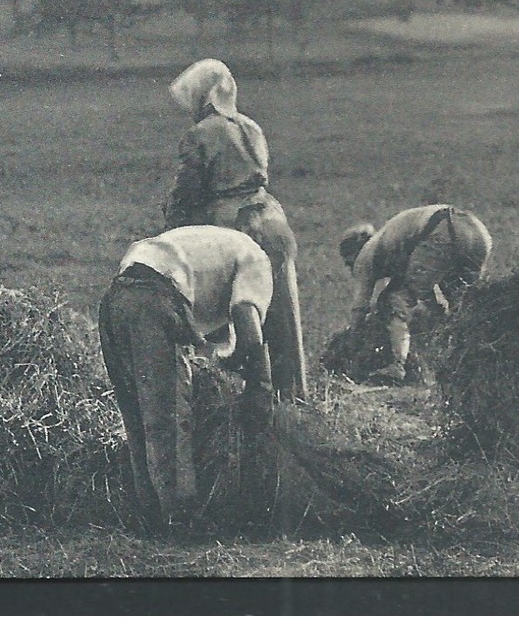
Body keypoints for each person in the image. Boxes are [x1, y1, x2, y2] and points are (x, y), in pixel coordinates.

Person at [98, 225, 275, 535]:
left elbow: (207, 338)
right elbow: (248, 327)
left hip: (116, 299)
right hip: (155, 299)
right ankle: (181, 519)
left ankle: (149, 515)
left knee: (137, 417)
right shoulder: (258, 260)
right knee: (169, 417)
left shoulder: (215, 246)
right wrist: (259, 383)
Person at [162, 58, 307, 399]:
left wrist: (173, 230)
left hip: (233, 227)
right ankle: (293, 401)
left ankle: (237, 398)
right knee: (283, 317)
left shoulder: (200, 135)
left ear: (203, 96)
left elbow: (186, 194)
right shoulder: (251, 127)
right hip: (272, 220)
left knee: (229, 315)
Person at [337, 205, 494, 385]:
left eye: (348, 262)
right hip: (477, 233)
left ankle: (397, 366)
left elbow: (360, 307)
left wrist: (353, 341)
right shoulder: (391, 240)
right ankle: (471, 363)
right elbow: (427, 293)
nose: (350, 268)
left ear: (354, 252)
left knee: (393, 300)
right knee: (463, 306)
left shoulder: (365, 256)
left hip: (442, 230)